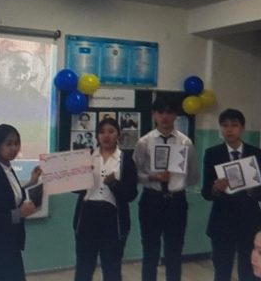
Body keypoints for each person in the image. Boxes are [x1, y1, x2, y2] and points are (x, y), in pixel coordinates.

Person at [133, 97, 198, 281]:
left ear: (175, 115)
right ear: (154, 115)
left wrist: (177, 181)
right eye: (160, 112)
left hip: (176, 201)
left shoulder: (185, 143)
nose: (165, 117)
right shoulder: (144, 142)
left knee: (174, 252)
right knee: (150, 251)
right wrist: (152, 177)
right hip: (151, 200)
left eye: (169, 112)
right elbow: (134, 174)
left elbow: (193, 176)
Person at [73, 118, 138, 281]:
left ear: (118, 134)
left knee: (112, 269)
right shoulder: (86, 157)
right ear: (97, 136)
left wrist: (114, 184)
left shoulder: (126, 160)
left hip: (113, 220)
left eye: (111, 131)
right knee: (83, 268)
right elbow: (74, 188)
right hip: (87, 217)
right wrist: (82, 177)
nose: (106, 136)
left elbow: (131, 194)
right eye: (102, 132)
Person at [0, 124, 42, 281]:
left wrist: (32, 182)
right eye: (8, 144)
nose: (14, 148)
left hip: (10, 243)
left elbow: (12, 197)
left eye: (16, 143)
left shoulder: (7, 169)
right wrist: (19, 213)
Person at [202, 108, 261, 281]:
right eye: (225, 125)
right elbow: (206, 192)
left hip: (249, 221)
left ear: (242, 128)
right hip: (222, 221)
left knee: (249, 270)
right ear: (220, 128)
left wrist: (253, 190)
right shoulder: (212, 153)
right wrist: (216, 188)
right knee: (222, 270)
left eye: (234, 125)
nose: (229, 130)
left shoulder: (257, 154)